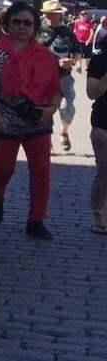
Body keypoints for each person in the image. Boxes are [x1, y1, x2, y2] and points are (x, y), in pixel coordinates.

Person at [0, 0, 62, 240]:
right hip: (4, 117)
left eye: (28, 23)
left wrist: (53, 109)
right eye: (17, 22)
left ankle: (36, 220)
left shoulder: (46, 56)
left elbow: (56, 89)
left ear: (35, 27)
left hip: (38, 119)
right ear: (8, 24)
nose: (22, 27)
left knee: (41, 172)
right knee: (4, 169)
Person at [39, 0, 79, 154]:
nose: (56, 16)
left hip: (65, 77)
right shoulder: (37, 30)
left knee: (67, 107)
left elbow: (77, 50)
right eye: (53, 14)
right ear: (46, 14)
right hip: (43, 78)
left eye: (58, 14)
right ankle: (46, 140)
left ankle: (64, 131)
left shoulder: (67, 31)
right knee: (45, 109)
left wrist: (73, 61)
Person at [86, 43, 107, 234]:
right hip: (103, 124)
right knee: (105, 171)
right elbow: (92, 93)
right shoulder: (100, 60)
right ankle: (98, 213)